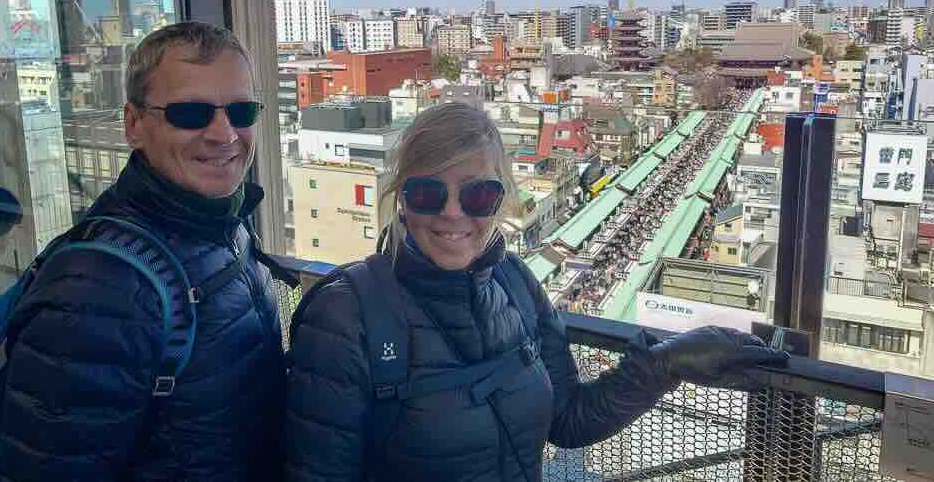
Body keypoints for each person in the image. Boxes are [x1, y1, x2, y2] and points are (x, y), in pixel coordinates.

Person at [285, 102, 788, 482]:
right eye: (428, 192)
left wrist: (665, 365)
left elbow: (567, 420)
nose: (454, 213)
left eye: (478, 194)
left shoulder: (516, 283)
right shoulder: (346, 317)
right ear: (401, 199)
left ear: (503, 197)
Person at [0, 22, 286, 481]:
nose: (225, 134)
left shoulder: (222, 225)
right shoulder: (96, 292)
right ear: (134, 125)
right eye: (191, 113)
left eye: (241, 110)